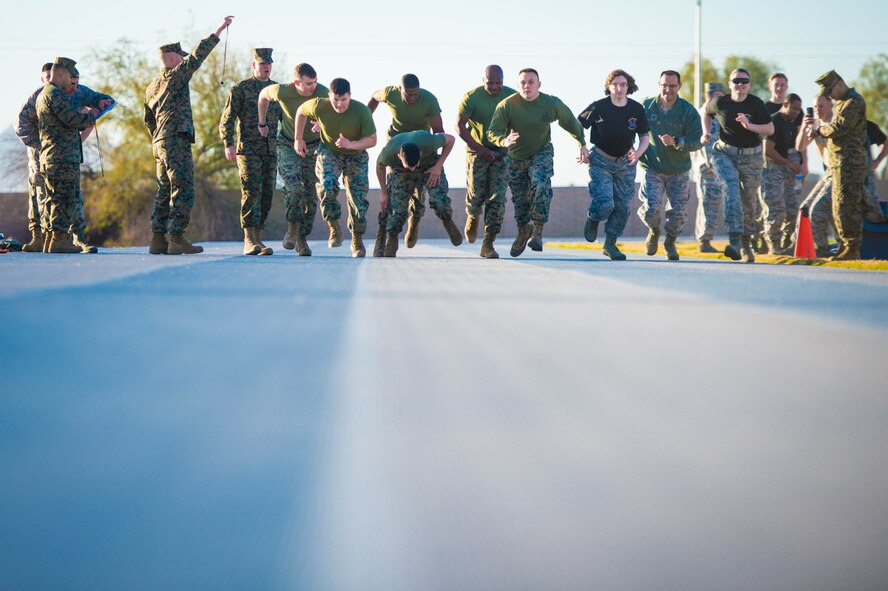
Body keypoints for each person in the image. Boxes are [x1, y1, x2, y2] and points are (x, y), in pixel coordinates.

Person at [144, 15, 234, 255]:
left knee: (164, 189)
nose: (183, 60)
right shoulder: (176, 76)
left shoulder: (152, 86)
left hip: (159, 143)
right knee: (182, 188)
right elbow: (197, 56)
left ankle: (157, 239)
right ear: (172, 58)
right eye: (180, 57)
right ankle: (176, 237)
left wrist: (158, 137)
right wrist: (219, 30)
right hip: (175, 139)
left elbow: (148, 119)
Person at [487, 68, 588, 257]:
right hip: (515, 158)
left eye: (531, 82)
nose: (527, 86)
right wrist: (504, 141)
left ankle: (538, 231)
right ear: (517, 86)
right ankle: (523, 231)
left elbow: (570, 122)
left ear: (539, 85)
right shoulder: (506, 105)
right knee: (520, 201)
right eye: (523, 83)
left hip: (541, 151)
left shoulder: (550, 103)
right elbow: (493, 132)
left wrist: (581, 143)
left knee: (540, 185)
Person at [295, 78, 377, 257]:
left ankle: (357, 239)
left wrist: (350, 144)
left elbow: (372, 140)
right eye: (335, 100)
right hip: (330, 151)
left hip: (356, 155)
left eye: (343, 100)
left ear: (350, 96)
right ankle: (334, 227)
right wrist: (298, 138)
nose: (339, 105)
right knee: (327, 186)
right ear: (329, 96)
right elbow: (301, 112)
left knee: (358, 200)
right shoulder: (319, 106)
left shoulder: (361, 111)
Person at [703, 68, 774, 263]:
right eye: (736, 81)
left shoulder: (756, 104)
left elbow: (769, 128)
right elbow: (706, 113)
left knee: (749, 203)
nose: (740, 85)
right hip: (725, 154)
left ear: (749, 84)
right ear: (730, 83)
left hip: (751, 158)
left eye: (744, 81)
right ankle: (734, 242)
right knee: (731, 190)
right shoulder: (721, 102)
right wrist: (706, 132)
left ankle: (746, 243)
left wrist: (750, 126)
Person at [578, 68, 650, 261]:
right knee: (605, 203)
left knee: (623, 207)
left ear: (629, 87)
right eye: (615, 85)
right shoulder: (598, 107)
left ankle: (610, 244)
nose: (619, 88)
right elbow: (578, 126)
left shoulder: (636, 109)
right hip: (600, 161)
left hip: (626, 163)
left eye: (623, 85)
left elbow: (645, 137)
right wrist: (582, 147)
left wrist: (638, 154)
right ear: (609, 87)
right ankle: (593, 218)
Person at [368, 74, 446, 247]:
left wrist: (436, 164)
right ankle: (384, 236)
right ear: (399, 89)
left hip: (420, 147)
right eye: (408, 94)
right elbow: (374, 96)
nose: (412, 98)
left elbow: (440, 132)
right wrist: (367, 118)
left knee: (419, 192)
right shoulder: (390, 93)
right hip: (397, 147)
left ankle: (415, 221)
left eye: (415, 94)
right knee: (393, 194)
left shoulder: (429, 100)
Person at [258, 63, 327, 256]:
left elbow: (336, 111)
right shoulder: (282, 91)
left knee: (312, 197)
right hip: (287, 144)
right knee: (294, 187)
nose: (312, 86)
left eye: (314, 82)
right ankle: (292, 227)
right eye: (307, 83)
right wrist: (261, 123)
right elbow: (263, 96)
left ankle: (302, 238)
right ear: (297, 82)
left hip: (314, 146)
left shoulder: (322, 92)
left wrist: (322, 124)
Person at [637, 70, 702, 261]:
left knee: (678, 214)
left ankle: (670, 241)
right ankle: (654, 230)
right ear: (659, 85)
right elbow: (631, 127)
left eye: (672, 86)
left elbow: (697, 140)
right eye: (664, 85)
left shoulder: (687, 111)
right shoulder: (646, 106)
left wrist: (677, 141)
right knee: (652, 209)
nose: (668, 89)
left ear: (679, 87)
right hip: (652, 166)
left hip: (678, 169)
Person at [35, 57, 99, 253]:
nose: (73, 85)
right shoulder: (55, 94)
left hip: (51, 156)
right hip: (61, 158)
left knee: (55, 200)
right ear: (61, 74)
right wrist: (91, 116)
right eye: (71, 80)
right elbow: (71, 119)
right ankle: (60, 240)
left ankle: (52, 240)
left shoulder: (44, 94)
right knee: (66, 199)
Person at [220, 47, 278, 256]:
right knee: (251, 191)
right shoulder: (241, 89)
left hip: (271, 151)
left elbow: (287, 118)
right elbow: (227, 118)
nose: (266, 68)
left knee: (267, 195)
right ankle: (249, 239)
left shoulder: (276, 90)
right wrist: (228, 143)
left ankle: (258, 238)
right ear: (254, 65)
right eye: (262, 64)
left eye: (269, 64)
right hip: (248, 150)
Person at [456, 65, 516, 259]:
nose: (494, 87)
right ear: (483, 80)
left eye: (499, 83)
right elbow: (459, 125)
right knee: (476, 195)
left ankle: (488, 244)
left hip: (502, 152)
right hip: (477, 149)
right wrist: (479, 149)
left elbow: (521, 121)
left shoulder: (512, 97)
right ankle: (473, 215)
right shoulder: (472, 97)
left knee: (497, 197)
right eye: (490, 83)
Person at [806, 70, 867, 260]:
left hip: (850, 163)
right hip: (839, 163)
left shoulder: (853, 102)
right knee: (837, 208)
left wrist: (820, 130)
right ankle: (845, 246)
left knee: (847, 207)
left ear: (840, 83)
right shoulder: (843, 103)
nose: (830, 96)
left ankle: (852, 247)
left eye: (830, 91)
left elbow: (839, 127)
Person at [375, 131, 457, 257]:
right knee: (396, 207)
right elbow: (379, 166)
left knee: (438, 199)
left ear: (420, 153)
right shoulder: (389, 151)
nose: (413, 170)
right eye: (410, 167)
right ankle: (392, 237)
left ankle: (447, 220)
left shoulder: (429, 141)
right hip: (401, 171)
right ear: (398, 156)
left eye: (414, 166)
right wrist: (383, 193)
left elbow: (451, 139)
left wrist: (438, 166)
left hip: (429, 165)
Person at [65, 71, 115, 254]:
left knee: (73, 195)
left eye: (76, 83)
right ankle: (47, 237)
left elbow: (101, 98)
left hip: (69, 155)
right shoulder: (49, 97)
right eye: (71, 83)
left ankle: (78, 237)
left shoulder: (79, 93)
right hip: (46, 154)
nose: (74, 88)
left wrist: (102, 103)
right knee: (48, 197)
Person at [14, 63, 53, 252]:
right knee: (38, 193)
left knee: (63, 194)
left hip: (60, 154)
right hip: (39, 155)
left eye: (51, 76)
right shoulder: (35, 97)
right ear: (42, 78)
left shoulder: (66, 95)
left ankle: (62, 237)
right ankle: (38, 236)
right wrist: (41, 145)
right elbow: (20, 125)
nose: (49, 79)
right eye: (46, 76)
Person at [761, 93, 804, 254]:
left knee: (792, 207)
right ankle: (774, 245)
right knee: (775, 208)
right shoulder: (774, 121)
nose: (796, 112)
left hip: (786, 169)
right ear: (785, 104)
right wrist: (789, 164)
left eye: (799, 109)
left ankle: (788, 243)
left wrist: (797, 164)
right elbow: (767, 150)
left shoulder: (790, 122)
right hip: (771, 169)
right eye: (794, 108)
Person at [797, 94, 836, 257]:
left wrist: (819, 132)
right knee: (805, 209)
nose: (817, 110)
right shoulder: (815, 123)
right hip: (827, 172)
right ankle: (815, 247)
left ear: (831, 106)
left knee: (819, 209)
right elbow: (799, 146)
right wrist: (805, 128)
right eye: (815, 107)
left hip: (839, 172)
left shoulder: (837, 121)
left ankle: (824, 248)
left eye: (821, 106)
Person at [693, 82, 727, 252]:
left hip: (719, 166)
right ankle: (704, 240)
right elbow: (707, 144)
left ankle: (705, 239)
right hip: (709, 168)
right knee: (709, 203)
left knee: (711, 203)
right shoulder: (705, 113)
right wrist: (713, 165)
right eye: (716, 96)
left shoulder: (717, 114)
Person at [864, 120, 888, 223]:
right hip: (845, 175)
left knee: (871, 204)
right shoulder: (838, 125)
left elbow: (886, 142)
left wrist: (877, 161)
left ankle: (879, 233)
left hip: (866, 174)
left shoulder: (868, 126)